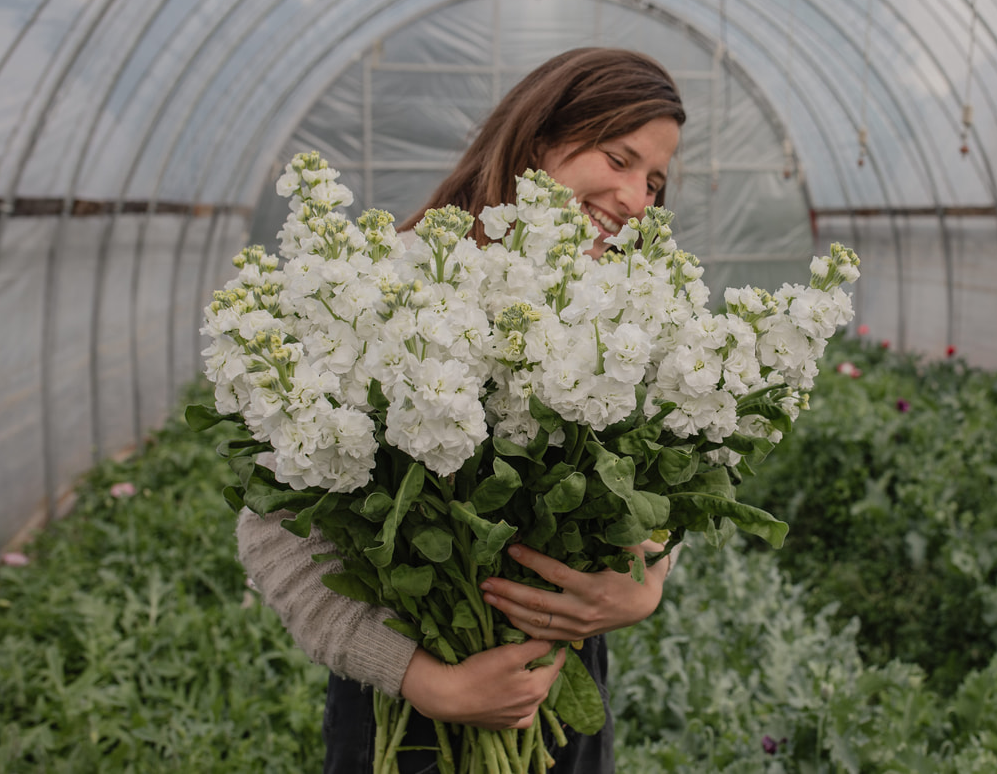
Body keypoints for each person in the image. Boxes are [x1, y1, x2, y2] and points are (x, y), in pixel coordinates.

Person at [236, 47, 688, 773]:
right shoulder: (390, 282)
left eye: (655, 181)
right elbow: (274, 535)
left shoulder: (624, 310)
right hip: (407, 716)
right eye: (618, 158)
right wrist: (434, 682)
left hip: (552, 714)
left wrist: (647, 578)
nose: (637, 198)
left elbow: (669, 466)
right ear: (542, 138)